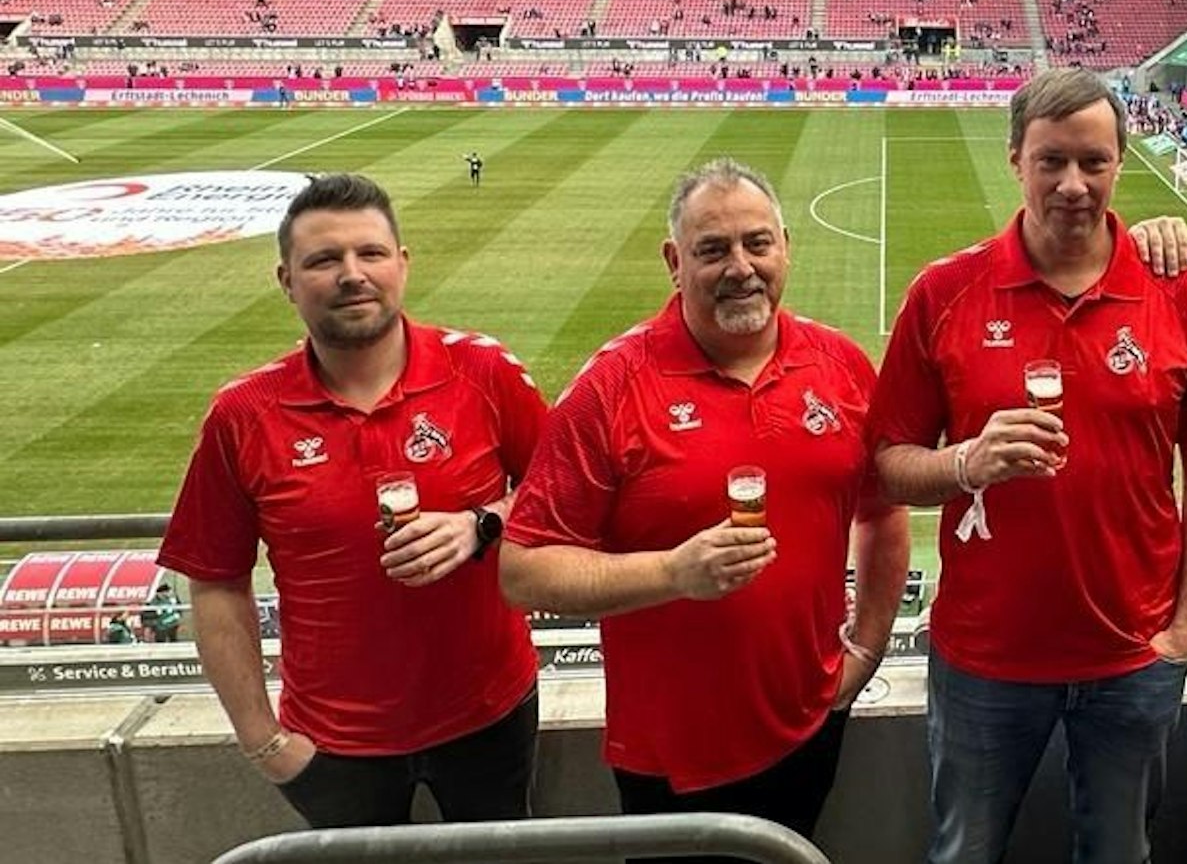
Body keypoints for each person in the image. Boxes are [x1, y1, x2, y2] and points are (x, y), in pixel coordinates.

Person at [867, 67, 1187, 864]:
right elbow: (888, 466)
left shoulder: (1181, 294)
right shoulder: (945, 293)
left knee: (1119, 853)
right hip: (984, 657)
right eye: (1051, 161)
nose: (1074, 184)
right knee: (965, 850)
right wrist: (967, 461)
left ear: (1119, 164)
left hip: (1135, 655)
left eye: (1094, 162)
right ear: (1015, 160)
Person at [500, 159, 908, 857]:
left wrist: (864, 651)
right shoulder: (613, 385)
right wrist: (672, 573)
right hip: (672, 755)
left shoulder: (839, 365)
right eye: (713, 249)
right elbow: (523, 569)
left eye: (758, 243)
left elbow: (882, 513)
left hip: (811, 719)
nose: (741, 267)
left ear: (786, 243)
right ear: (674, 261)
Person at [157, 174, 547, 828]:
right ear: (287, 279)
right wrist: (265, 740)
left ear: (402, 263)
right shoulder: (243, 413)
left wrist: (482, 523)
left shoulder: (483, 371)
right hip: (333, 743)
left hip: (491, 712)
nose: (351, 274)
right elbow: (216, 582)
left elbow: (561, 496)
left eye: (370, 253)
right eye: (323, 259)